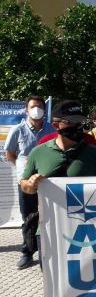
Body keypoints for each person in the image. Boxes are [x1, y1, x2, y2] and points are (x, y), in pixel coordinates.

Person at [20, 101, 96, 267]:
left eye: (80, 122)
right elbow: (24, 184)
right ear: (56, 125)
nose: (77, 126)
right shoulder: (38, 152)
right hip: (48, 230)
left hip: (87, 231)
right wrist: (31, 184)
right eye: (71, 122)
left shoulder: (95, 155)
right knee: (52, 282)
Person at [5, 95, 56, 269]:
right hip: (26, 182)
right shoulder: (17, 130)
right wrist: (22, 169)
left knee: (47, 216)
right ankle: (27, 252)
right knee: (28, 216)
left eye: (40, 106)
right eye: (33, 107)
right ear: (27, 110)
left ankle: (46, 251)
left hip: (47, 182)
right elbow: (9, 153)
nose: (37, 109)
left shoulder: (52, 130)